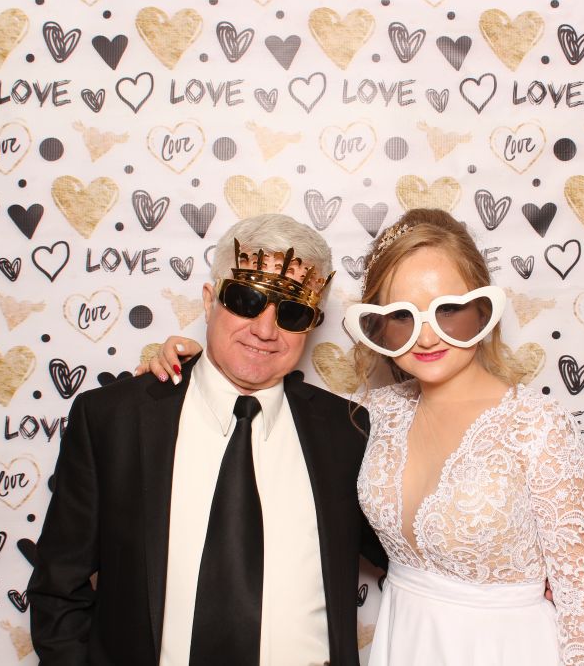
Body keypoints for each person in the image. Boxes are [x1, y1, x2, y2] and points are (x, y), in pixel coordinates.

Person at [148, 209, 584, 665]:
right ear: (377, 324)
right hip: (403, 641)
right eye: (402, 316)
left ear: (482, 308)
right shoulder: (369, 416)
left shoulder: (538, 425)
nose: (427, 337)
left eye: (449, 310)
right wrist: (185, 375)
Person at [28, 214, 386, 666]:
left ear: (311, 325)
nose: (265, 330)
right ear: (208, 300)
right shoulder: (113, 420)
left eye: (292, 312)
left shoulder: (348, 431)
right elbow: (58, 588)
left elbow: (414, 556)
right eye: (246, 300)